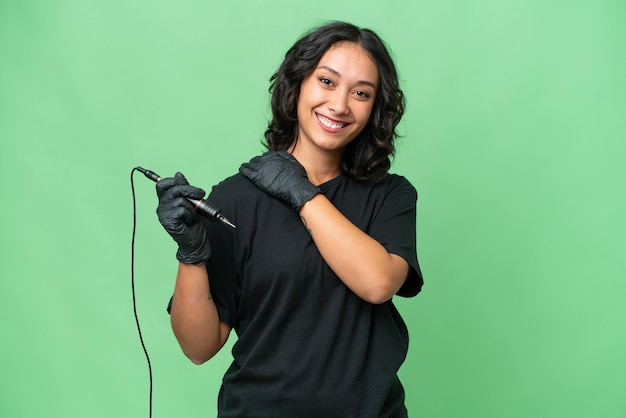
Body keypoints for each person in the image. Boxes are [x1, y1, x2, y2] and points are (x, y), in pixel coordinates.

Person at [155, 21, 423, 418]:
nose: (340, 105)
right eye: (327, 82)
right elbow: (199, 347)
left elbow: (378, 283)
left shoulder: (391, 195)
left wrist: (301, 193)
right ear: (297, 84)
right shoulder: (235, 198)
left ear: (374, 110)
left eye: (361, 93)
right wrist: (191, 253)